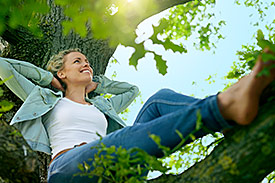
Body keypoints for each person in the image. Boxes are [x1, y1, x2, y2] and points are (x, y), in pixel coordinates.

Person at [0, 48, 274, 183]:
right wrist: (48, 78)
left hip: (118, 166)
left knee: (157, 100)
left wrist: (101, 84)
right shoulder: (46, 100)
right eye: (77, 62)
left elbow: (132, 90)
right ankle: (226, 106)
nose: (86, 64)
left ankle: (228, 114)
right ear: (62, 72)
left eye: (87, 61)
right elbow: (4, 66)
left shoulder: (103, 107)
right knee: (124, 135)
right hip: (68, 170)